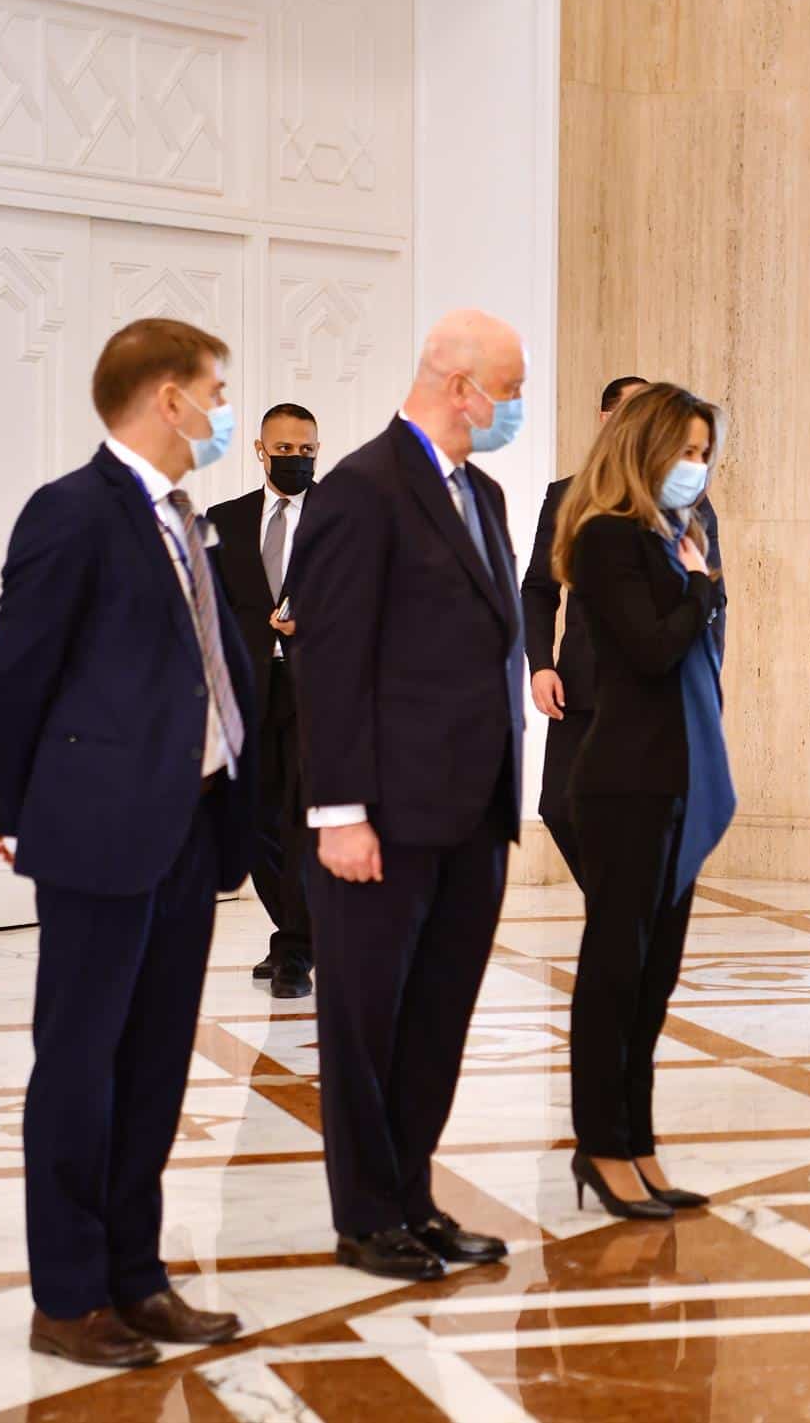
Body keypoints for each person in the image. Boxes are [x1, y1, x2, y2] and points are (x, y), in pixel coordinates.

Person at [0, 318, 257, 1366]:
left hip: (189, 823)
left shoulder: (188, 516)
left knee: (153, 1065)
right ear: (166, 398)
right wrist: (13, 809)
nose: (225, 409)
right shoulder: (71, 511)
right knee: (80, 1065)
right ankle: (68, 1293)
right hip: (99, 829)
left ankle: (137, 1277)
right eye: (215, 390)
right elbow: (17, 675)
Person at [290, 310, 527, 1279]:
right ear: (458, 382)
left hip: (472, 807)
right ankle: (366, 1214)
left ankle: (414, 1196)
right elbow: (330, 660)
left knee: (436, 1016)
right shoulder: (361, 488)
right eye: (508, 388)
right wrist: (339, 809)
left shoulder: (486, 493)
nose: (513, 406)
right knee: (367, 1021)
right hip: (382, 812)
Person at [558, 383, 737, 1219]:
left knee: (655, 977)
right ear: (643, 447)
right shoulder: (605, 539)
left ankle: (639, 1142)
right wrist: (701, 589)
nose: (696, 468)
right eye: (685, 451)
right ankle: (600, 1146)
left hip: (676, 779)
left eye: (705, 453)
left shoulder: (671, 540)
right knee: (614, 973)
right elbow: (652, 649)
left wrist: (696, 577)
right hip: (627, 781)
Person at [523, 377, 727, 885]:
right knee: (560, 808)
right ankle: (613, 896)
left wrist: (707, 682)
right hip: (582, 683)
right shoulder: (568, 496)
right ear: (606, 419)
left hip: (659, 681)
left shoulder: (693, 503)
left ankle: (622, 903)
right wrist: (541, 665)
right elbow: (539, 588)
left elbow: (712, 600)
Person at [208, 403, 321, 999]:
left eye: (306, 451)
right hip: (250, 691)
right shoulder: (223, 521)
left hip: (317, 691)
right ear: (260, 450)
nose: (296, 460)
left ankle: (296, 950)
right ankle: (298, 932)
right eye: (285, 450)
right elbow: (209, 612)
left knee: (303, 822)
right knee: (257, 821)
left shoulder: (344, 516)